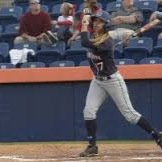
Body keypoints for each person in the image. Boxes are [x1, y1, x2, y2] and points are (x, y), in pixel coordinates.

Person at [79, 10, 162, 157]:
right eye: (95, 21)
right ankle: (92, 146)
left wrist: (84, 18)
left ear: (105, 25)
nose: (96, 23)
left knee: (130, 115)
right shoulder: (99, 38)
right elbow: (89, 40)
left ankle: (157, 136)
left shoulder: (106, 41)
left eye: (100, 21)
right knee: (88, 111)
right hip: (97, 81)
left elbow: (84, 42)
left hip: (112, 80)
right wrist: (86, 15)